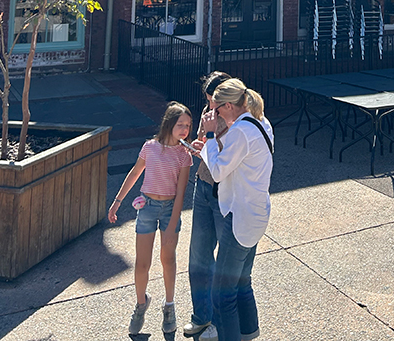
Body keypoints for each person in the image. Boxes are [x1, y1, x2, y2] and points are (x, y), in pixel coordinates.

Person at [193, 79, 274, 341]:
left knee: (222, 294)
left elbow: (217, 172)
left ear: (228, 106)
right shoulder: (260, 122)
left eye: (217, 109)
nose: (214, 114)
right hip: (258, 212)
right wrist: (209, 148)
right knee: (242, 281)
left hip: (239, 217)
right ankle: (250, 331)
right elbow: (236, 161)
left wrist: (207, 136)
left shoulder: (240, 131)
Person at [108, 101, 192, 335]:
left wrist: (174, 221)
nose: (185, 129)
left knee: (168, 259)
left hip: (169, 210)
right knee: (142, 262)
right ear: (168, 124)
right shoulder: (150, 147)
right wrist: (117, 201)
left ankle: (169, 305)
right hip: (147, 207)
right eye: (180, 124)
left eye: (188, 125)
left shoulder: (185, 155)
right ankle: (141, 304)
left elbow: (181, 192)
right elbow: (135, 173)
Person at [183, 71, 232, 341]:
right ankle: (201, 317)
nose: (210, 107)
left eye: (215, 101)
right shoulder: (208, 112)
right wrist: (197, 146)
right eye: (208, 101)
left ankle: (220, 323)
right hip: (202, 185)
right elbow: (206, 147)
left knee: (225, 263)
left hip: (223, 192)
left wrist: (211, 138)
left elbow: (228, 160)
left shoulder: (237, 119)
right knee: (199, 257)